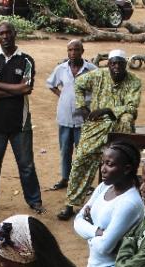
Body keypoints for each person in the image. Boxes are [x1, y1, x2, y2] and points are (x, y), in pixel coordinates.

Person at [57, 50, 142, 221]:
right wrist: (82, 107)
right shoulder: (98, 75)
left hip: (119, 127)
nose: (116, 67)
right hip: (96, 125)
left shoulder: (134, 81)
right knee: (81, 159)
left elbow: (132, 107)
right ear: (108, 64)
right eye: (113, 63)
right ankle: (71, 203)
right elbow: (78, 84)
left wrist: (109, 110)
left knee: (122, 160)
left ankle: (122, 201)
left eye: (120, 63)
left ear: (125, 64)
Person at [0, 21, 45, 215]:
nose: (5, 36)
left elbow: (27, 88)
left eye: (8, 33)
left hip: (20, 124)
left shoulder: (26, 60)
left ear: (15, 34)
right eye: (1, 33)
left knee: (26, 165)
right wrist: (14, 90)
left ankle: (34, 200)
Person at [46, 39, 96, 192]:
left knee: (83, 153)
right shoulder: (61, 69)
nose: (73, 53)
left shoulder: (92, 70)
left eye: (76, 50)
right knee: (65, 150)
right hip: (65, 117)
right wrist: (62, 96)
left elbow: (99, 89)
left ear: (82, 51)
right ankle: (65, 178)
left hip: (84, 120)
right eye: (70, 50)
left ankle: (83, 182)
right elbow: (51, 84)